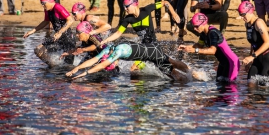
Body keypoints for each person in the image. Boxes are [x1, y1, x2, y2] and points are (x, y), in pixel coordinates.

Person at [67, 42, 199, 82]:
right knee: (170, 67)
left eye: (110, 60)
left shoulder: (117, 52)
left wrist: (85, 73)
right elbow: (94, 60)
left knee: (172, 71)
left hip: (152, 53)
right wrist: (76, 69)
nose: (112, 62)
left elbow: (102, 64)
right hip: (148, 51)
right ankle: (190, 75)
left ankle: (190, 77)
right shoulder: (108, 48)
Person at [179, 13, 240, 82]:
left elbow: (212, 50)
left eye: (196, 26)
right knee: (219, 85)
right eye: (194, 26)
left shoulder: (213, 33)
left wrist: (195, 50)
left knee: (230, 87)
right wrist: (187, 47)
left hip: (231, 63)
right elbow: (199, 45)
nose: (194, 29)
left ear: (203, 23)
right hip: (223, 63)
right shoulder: (203, 33)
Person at [100, 0, 180, 45]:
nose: (125, 9)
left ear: (134, 5)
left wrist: (174, 13)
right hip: (143, 46)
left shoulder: (146, 10)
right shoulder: (128, 19)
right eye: (124, 7)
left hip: (153, 45)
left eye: (126, 6)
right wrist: (105, 40)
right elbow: (118, 33)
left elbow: (165, 2)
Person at [23, 0, 76, 65]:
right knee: (38, 50)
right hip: (57, 38)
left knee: (68, 66)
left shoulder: (58, 7)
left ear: (50, 1)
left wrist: (60, 32)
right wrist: (32, 31)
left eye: (43, 3)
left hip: (68, 40)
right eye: (41, 3)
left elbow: (70, 20)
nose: (42, 5)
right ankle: (53, 65)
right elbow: (45, 21)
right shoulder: (47, 10)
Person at [237, 1, 269, 81]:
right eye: (240, 15)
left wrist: (252, 57)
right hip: (257, 59)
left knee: (264, 89)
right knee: (250, 85)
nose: (242, 17)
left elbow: (268, 43)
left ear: (250, 12)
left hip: (267, 60)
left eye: (243, 15)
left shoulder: (259, 23)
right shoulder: (247, 24)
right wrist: (250, 58)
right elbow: (253, 43)